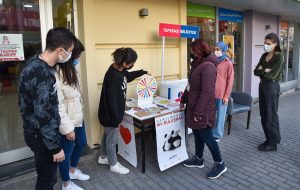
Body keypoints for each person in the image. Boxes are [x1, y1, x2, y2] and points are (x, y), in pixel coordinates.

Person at [19, 27, 75, 190]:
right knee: (47, 180)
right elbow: (43, 115)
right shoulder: (41, 73)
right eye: (69, 52)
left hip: (35, 133)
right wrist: (55, 148)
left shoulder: (34, 62)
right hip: (41, 138)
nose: (69, 56)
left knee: (45, 177)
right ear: (60, 50)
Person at [180, 39, 227, 179]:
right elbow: (190, 85)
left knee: (207, 137)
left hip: (203, 109)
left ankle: (220, 164)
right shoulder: (197, 64)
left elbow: (207, 92)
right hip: (194, 106)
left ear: (199, 51)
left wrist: (199, 112)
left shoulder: (208, 67)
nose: (191, 53)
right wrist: (183, 100)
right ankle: (198, 159)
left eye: (193, 51)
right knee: (197, 133)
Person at [97, 47, 148, 174]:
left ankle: (102, 157)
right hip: (110, 115)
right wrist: (116, 119)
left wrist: (142, 72)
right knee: (112, 139)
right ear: (125, 63)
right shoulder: (114, 76)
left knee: (107, 135)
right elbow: (113, 101)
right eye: (132, 63)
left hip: (109, 113)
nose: (132, 65)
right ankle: (113, 164)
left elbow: (127, 77)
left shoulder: (119, 69)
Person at [55, 39, 89, 190]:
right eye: (77, 56)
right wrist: (67, 129)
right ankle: (66, 184)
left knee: (81, 143)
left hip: (78, 117)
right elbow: (59, 105)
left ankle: (73, 170)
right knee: (66, 153)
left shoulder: (71, 69)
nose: (78, 59)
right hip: (67, 121)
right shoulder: (57, 73)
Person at [254, 33, 284, 151]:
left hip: (272, 87)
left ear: (275, 44)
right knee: (264, 114)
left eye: (268, 44)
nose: (266, 45)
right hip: (262, 86)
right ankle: (268, 138)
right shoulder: (264, 55)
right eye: (265, 43)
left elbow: (272, 75)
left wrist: (262, 70)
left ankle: (274, 143)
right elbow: (256, 72)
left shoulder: (279, 56)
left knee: (271, 115)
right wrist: (263, 70)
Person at [212, 42, 234, 141]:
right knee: (212, 114)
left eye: (217, 49)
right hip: (211, 92)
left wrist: (226, 96)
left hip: (221, 94)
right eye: (215, 49)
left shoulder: (228, 62)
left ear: (223, 50)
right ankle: (210, 131)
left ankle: (217, 135)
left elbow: (230, 81)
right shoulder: (213, 60)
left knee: (220, 116)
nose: (215, 51)